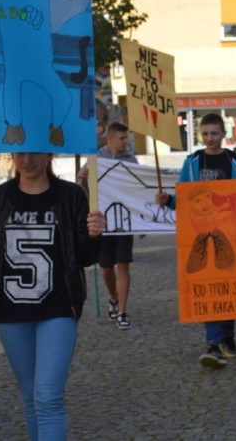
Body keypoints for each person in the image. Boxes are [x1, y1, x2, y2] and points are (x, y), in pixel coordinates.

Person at [0, 152, 105, 440]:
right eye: (20, 153)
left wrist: (95, 235)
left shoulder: (71, 195)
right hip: (11, 311)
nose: (28, 160)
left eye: (35, 152)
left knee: (48, 399)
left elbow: (86, 258)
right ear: (12, 155)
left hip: (59, 308)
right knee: (30, 398)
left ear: (49, 153)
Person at [155, 113, 236, 368]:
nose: (210, 138)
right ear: (200, 135)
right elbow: (185, 197)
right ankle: (214, 344)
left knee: (228, 290)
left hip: (230, 234)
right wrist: (169, 202)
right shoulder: (193, 163)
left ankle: (228, 337)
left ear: (223, 134)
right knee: (210, 288)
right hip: (202, 234)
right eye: (205, 134)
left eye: (214, 133)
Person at [79, 122, 137, 330]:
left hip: (123, 220)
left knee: (123, 263)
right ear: (110, 139)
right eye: (121, 138)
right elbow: (82, 188)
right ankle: (113, 298)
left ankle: (122, 311)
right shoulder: (96, 159)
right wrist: (82, 177)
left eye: (126, 138)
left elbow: (137, 190)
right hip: (102, 221)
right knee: (105, 268)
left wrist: (142, 221)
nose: (125, 142)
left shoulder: (131, 159)